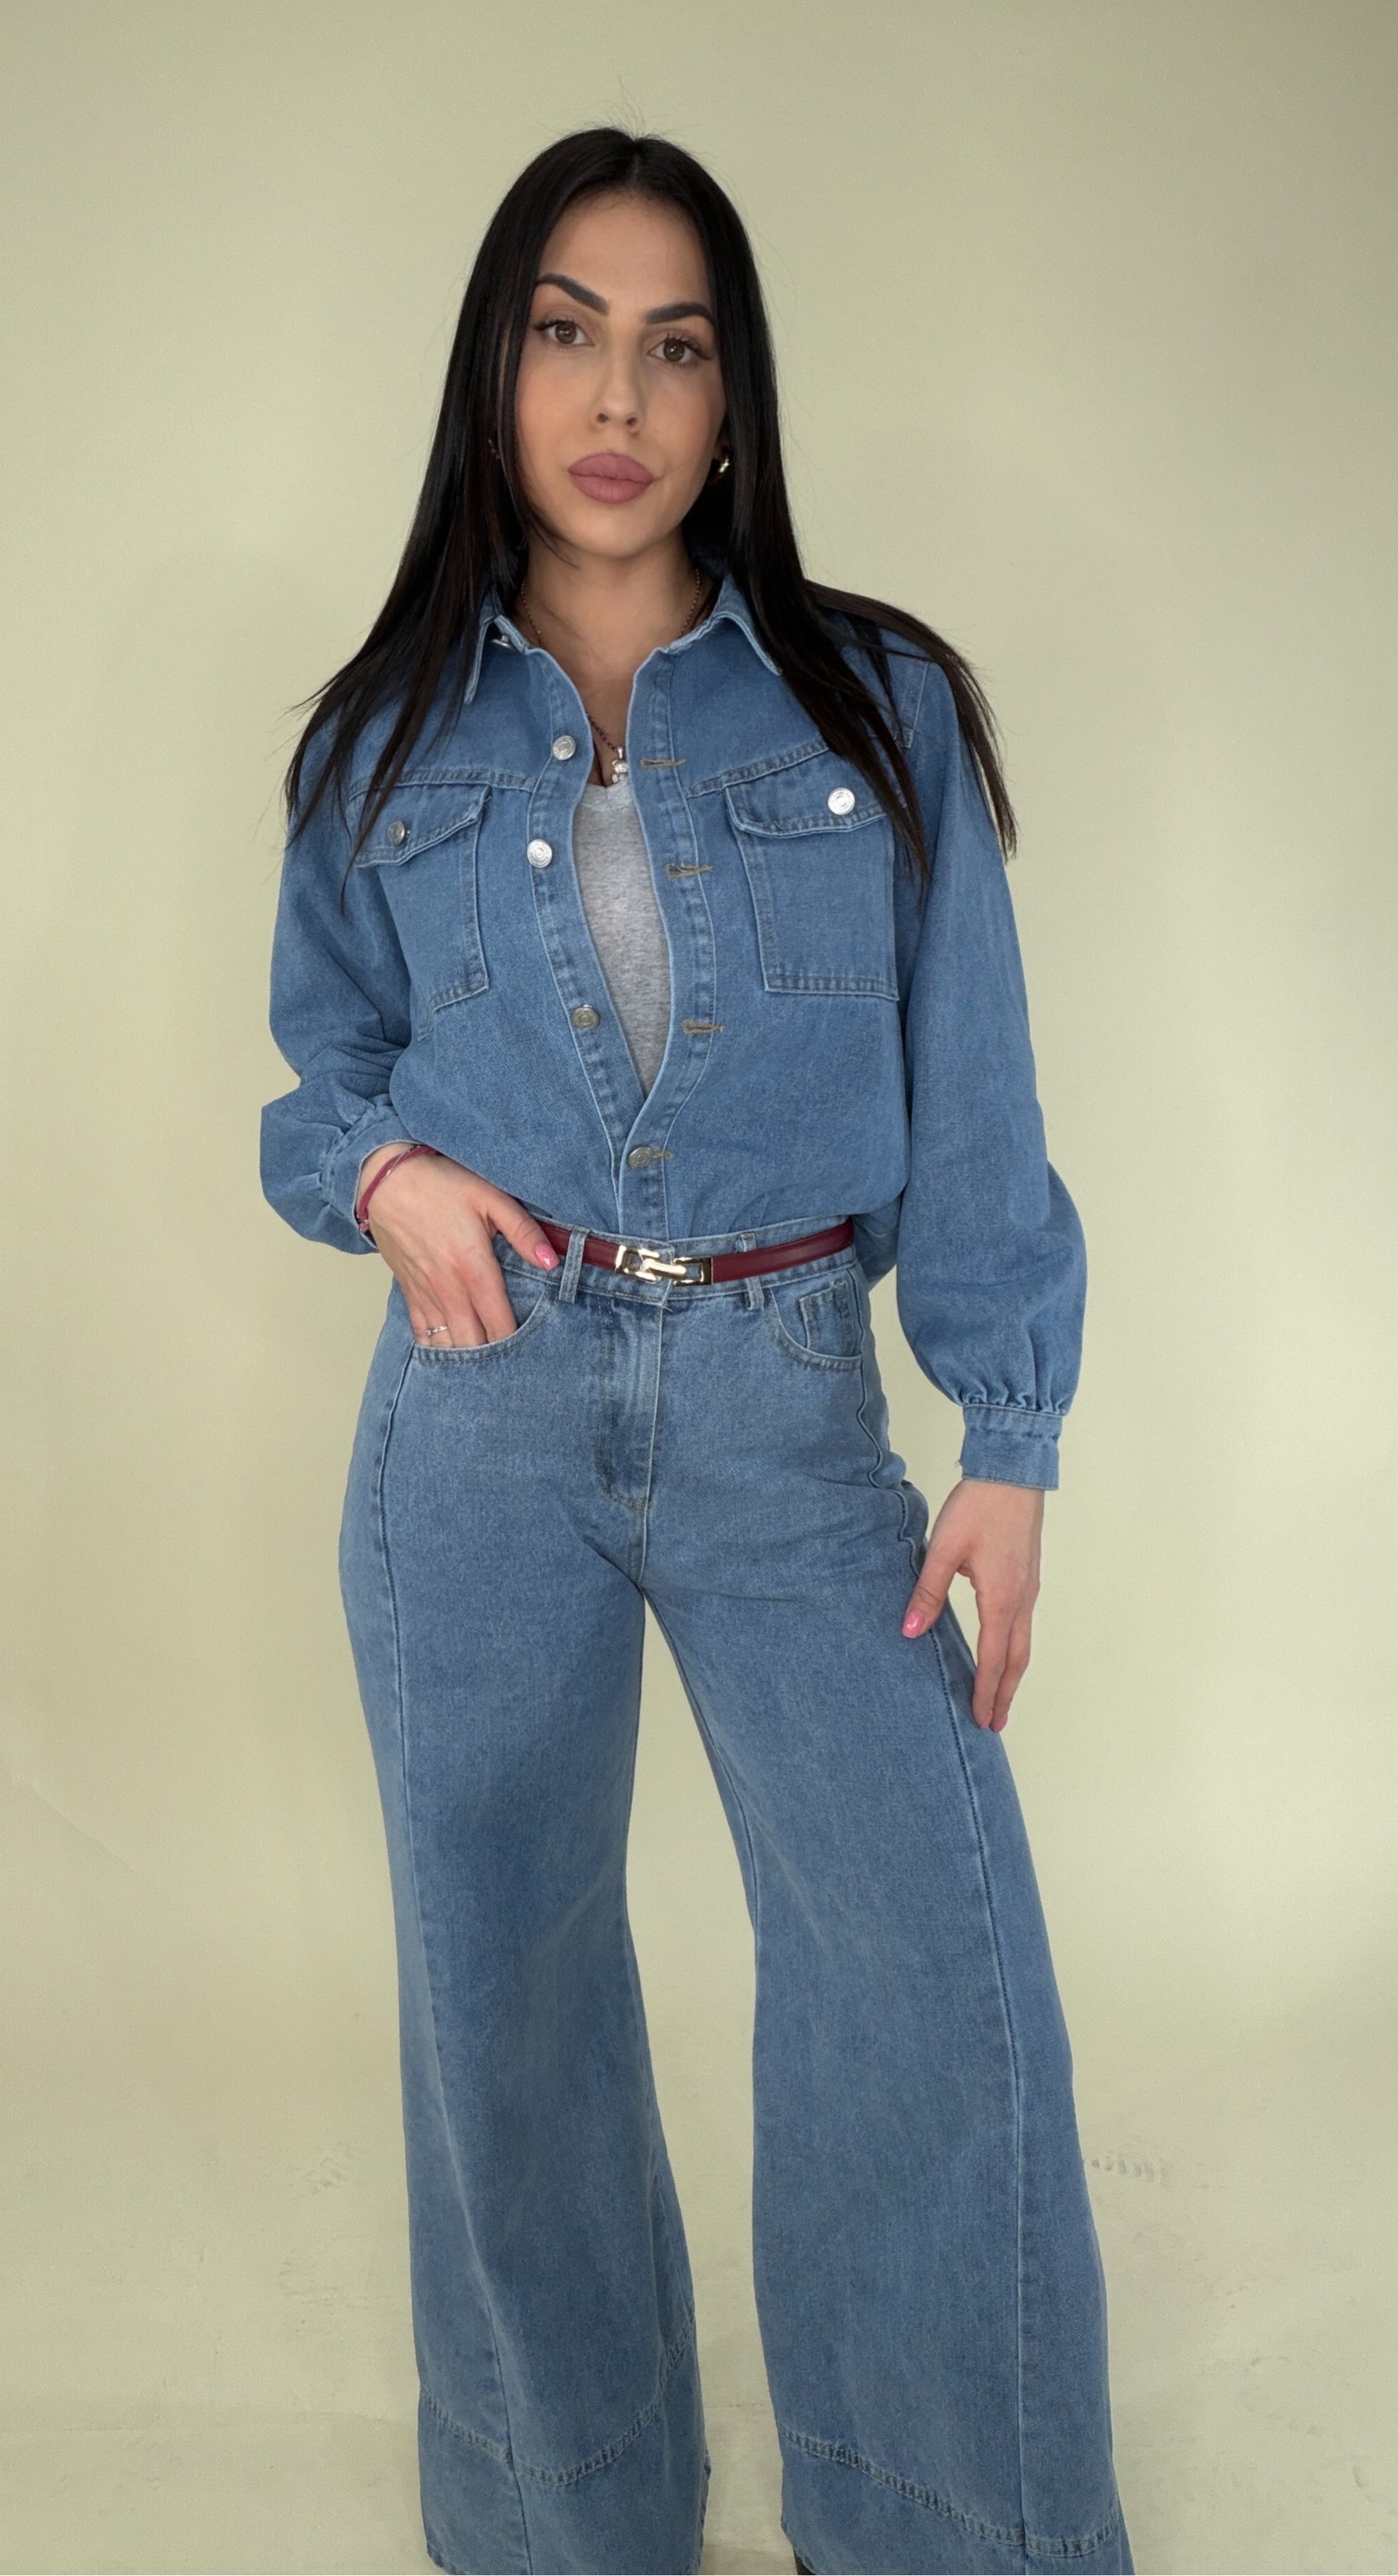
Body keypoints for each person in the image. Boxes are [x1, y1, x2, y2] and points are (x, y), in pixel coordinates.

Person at [260, 125, 1134, 2576]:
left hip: (791, 1411)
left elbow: (980, 1100)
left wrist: (1012, 1434)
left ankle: (949, 2530)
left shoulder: (882, 706)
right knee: (505, 2006)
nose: (616, 396)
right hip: (480, 1418)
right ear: (497, 368)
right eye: (567, 332)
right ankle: (571, 2527)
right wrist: (384, 1176)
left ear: (736, 394)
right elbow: (316, 1079)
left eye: (676, 343)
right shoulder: (381, 739)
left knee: (925, 1979)